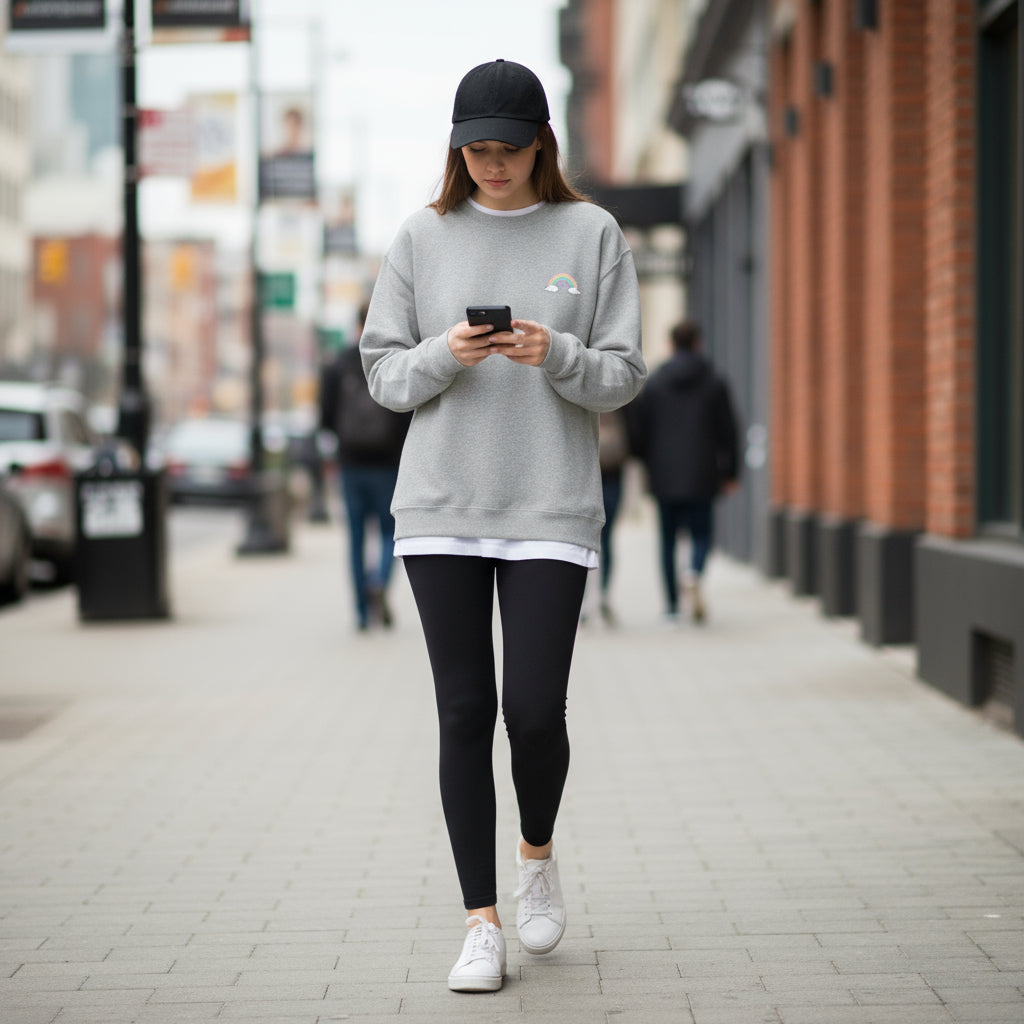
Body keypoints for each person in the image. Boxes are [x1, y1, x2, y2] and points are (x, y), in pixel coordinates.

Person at [359, 59, 646, 992]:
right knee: (462, 711)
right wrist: (447, 352)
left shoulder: (592, 232)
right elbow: (382, 375)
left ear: (541, 145)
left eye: (508, 150)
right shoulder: (421, 236)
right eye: (476, 150)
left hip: (551, 504)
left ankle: (536, 855)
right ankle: (480, 922)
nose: (492, 166)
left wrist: (553, 352)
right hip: (439, 504)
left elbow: (622, 373)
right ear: (457, 150)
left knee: (532, 711)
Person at [632, 320, 740, 624]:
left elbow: (639, 431)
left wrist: (647, 461)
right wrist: (730, 472)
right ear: (697, 343)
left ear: (671, 345)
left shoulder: (654, 382)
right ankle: (694, 570)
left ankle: (671, 606)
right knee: (701, 533)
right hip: (703, 473)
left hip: (664, 475)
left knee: (667, 540)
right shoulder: (715, 380)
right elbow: (728, 430)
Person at [319, 304, 411, 631]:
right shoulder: (397, 362)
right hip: (388, 465)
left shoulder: (337, 364)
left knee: (356, 539)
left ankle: (360, 613)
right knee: (390, 534)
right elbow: (406, 412)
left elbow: (325, 419)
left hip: (351, 464)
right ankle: (379, 582)